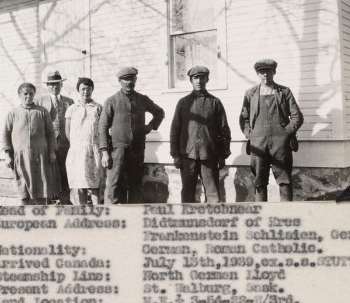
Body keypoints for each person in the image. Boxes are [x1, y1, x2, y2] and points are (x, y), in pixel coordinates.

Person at [239, 58, 304, 202]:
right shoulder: (250, 94)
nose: (265, 75)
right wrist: (250, 134)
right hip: (258, 144)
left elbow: (297, 116)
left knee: (284, 179)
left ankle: (286, 214)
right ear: (258, 74)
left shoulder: (284, 92)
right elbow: (244, 118)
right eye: (262, 72)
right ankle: (262, 214)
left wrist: (286, 132)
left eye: (268, 71)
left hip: (281, 145)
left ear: (274, 72)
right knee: (259, 181)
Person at [98, 67, 165, 204]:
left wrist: (150, 126)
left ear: (135, 79)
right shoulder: (111, 101)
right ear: (120, 81)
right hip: (118, 150)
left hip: (137, 149)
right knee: (114, 184)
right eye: (126, 79)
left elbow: (159, 112)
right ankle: (113, 216)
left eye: (132, 79)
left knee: (135, 184)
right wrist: (105, 152)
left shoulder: (142, 99)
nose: (129, 82)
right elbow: (103, 126)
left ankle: (134, 217)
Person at [170, 66, 231, 204]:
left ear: (207, 79)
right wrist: (175, 155)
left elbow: (224, 130)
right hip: (187, 156)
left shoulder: (215, 102)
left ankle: (213, 221)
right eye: (195, 78)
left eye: (202, 78)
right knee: (187, 193)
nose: (199, 81)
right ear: (191, 80)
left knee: (213, 193)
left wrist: (223, 155)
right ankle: (188, 221)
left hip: (209, 155)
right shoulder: (183, 103)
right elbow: (175, 130)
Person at [2, 83, 56, 205]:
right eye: (25, 94)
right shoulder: (13, 113)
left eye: (31, 94)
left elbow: (51, 133)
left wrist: (52, 152)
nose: (28, 96)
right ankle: (25, 216)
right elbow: (6, 134)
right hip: (21, 157)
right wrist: (7, 155)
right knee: (23, 190)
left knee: (42, 188)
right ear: (19, 95)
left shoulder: (42, 111)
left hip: (40, 157)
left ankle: (42, 216)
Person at [64, 78, 103, 205]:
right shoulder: (72, 109)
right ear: (78, 90)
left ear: (92, 90)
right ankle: (83, 213)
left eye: (88, 89)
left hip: (93, 150)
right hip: (77, 152)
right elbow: (68, 131)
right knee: (80, 184)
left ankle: (97, 212)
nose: (86, 92)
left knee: (94, 184)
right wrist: (77, 146)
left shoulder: (98, 108)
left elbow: (102, 129)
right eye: (83, 89)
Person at [38, 70, 73, 205]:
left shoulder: (69, 102)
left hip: (65, 141)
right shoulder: (40, 101)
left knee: (64, 170)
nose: (55, 87)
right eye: (51, 84)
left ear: (61, 85)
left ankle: (65, 199)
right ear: (47, 86)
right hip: (47, 142)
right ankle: (49, 199)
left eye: (57, 84)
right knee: (49, 170)